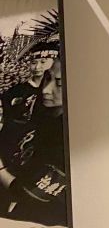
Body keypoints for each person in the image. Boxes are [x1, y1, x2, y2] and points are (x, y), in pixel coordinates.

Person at [0, 58, 68, 226]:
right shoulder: (42, 119)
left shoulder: (67, 138)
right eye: (47, 78)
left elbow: (30, 194)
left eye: (59, 84)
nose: (46, 89)